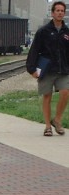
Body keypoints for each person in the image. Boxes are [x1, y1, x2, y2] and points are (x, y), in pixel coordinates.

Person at [26, 0, 69, 137]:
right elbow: (34, 50)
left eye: (62, 11)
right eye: (58, 10)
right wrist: (31, 69)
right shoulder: (43, 31)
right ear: (52, 13)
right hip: (47, 70)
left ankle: (57, 120)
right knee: (47, 96)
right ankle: (48, 126)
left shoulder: (67, 32)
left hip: (63, 70)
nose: (60, 13)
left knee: (65, 93)